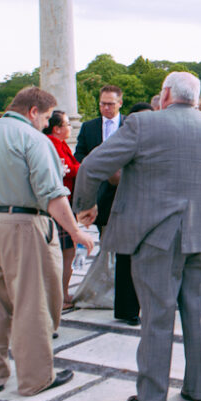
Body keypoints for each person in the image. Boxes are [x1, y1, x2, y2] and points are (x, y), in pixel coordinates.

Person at [74, 72, 201, 401]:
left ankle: (151, 399)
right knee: (199, 314)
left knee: (157, 318)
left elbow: (91, 165)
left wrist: (85, 205)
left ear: (165, 94)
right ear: (195, 97)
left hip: (157, 236)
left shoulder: (142, 125)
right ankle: (199, 390)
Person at [0, 86, 94, 396]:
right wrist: (76, 231)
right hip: (21, 224)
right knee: (31, 301)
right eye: (47, 117)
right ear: (33, 111)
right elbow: (53, 195)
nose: (47, 124)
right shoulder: (33, 139)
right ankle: (36, 378)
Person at [74, 84, 136, 323]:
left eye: (110, 103)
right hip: (99, 195)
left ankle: (122, 292)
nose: (106, 108)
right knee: (107, 242)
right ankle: (106, 287)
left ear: (120, 103)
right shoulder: (89, 127)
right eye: (102, 103)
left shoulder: (130, 125)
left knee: (125, 247)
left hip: (126, 192)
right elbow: (80, 157)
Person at [42, 110, 81, 309]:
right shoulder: (53, 145)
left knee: (67, 252)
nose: (70, 128)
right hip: (60, 204)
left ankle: (62, 292)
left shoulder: (59, 143)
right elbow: (69, 169)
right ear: (57, 129)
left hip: (64, 202)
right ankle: (59, 294)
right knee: (65, 252)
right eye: (67, 124)